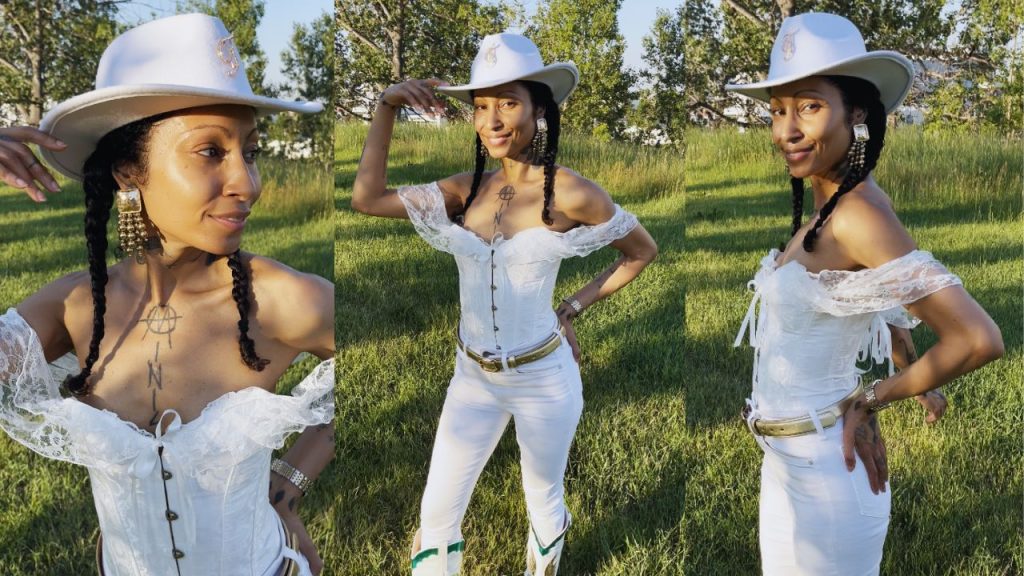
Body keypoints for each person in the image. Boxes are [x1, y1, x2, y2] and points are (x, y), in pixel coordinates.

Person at [0, 14, 335, 576]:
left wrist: (293, 480)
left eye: (249, 152)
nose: (246, 183)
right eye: (210, 152)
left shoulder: (282, 301)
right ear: (130, 171)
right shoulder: (73, 309)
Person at [352, 33, 657, 575]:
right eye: (481, 106)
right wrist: (386, 106)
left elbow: (640, 251)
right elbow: (366, 199)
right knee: (437, 510)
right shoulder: (465, 189)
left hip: (544, 377)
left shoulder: (571, 192)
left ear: (539, 110)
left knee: (541, 498)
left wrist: (572, 308)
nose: (492, 119)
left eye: (507, 103)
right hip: (471, 377)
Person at [726, 13, 1003, 575]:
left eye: (808, 106)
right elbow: (879, 294)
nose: (787, 131)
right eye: (778, 110)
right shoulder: (836, 204)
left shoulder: (857, 214)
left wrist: (876, 396)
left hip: (830, 469)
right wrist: (912, 367)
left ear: (855, 111)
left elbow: (978, 338)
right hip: (782, 458)